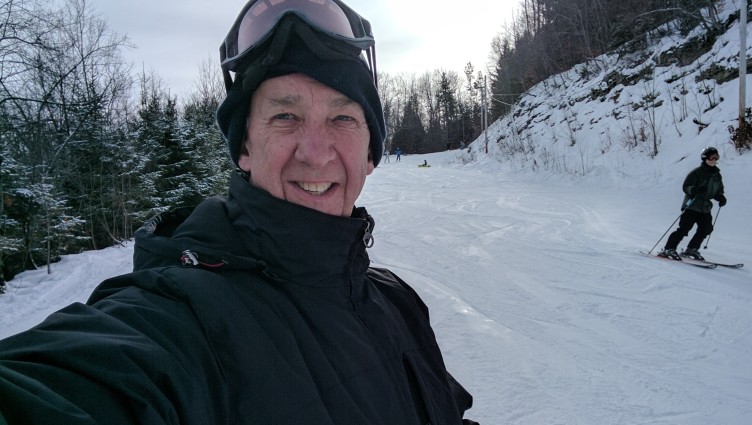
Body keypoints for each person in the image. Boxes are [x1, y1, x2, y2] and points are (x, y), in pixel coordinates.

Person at [0, 1, 477, 424]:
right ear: (244, 147)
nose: (315, 152)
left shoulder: (396, 303)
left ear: (370, 153)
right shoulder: (186, 316)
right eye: (285, 116)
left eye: (342, 118)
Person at [659, 146, 727, 261]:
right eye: (712, 157)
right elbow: (686, 187)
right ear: (705, 158)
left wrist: (720, 197)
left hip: (705, 207)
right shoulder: (697, 173)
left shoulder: (717, 175)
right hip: (692, 205)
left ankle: (692, 249)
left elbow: (718, 190)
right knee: (684, 228)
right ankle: (669, 248)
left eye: (716, 157)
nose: (714, 160)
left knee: (706, 229)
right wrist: (695, 190)